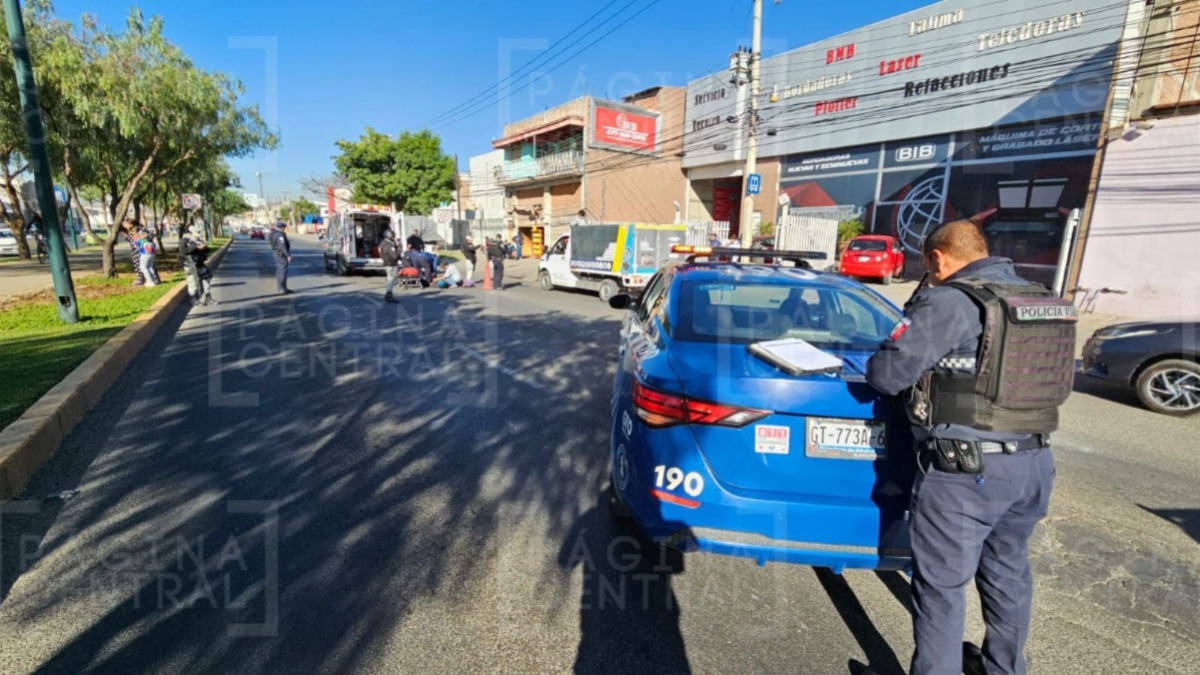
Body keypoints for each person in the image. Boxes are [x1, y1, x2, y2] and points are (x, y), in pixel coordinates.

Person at [864, 220, 1076, 675]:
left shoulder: (952, 301)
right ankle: (1005, 668)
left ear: (938, 258)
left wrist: (915, 312)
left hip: (967, 473)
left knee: (941, 586)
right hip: (1035, 462)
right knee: (1007, 574)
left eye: (928, 267)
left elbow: (886, 375)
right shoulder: (1040, 299)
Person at [181, 224, 215, 306]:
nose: (197, 234)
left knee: (206, 279)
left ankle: (208, 298)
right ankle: (193, 299)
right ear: (190, 232)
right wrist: (195, 246)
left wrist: (204, 247)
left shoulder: (199, 240)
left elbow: (207, 251)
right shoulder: (184, 241)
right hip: (190, 264)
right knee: (192, 282)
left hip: (200, 263)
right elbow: (184, 251)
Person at [269, 220, 293, 294]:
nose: (284, 229)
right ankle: (282, 288)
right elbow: (282, 246)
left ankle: (281, 287)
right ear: (282, 227)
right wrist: (287, 255)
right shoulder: (279, 234)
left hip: (276, 253)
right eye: (284, 227)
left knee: (279, 270)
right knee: (282, 271)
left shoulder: (272, 233)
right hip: (280, 254)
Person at [122, 219, 145, 286]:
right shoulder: (132, 230)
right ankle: (141, 279)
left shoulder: (137, 229)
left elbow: (135, 239)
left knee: (141, 265)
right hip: (136, 250)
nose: (124, 225)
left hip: (140, 250)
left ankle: (142, 279)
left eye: (125, 224)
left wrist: (128, 237)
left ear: (131, 224)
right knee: (138, 265)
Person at [380, 229, 401, 303]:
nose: (393, 238)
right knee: (391, 280)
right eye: (392, 236)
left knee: (390, 279)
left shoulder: (383, 243)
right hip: (391, 264)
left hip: (387, 263)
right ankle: (389, 295)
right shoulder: (388, 245)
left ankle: (388, 294)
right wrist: (399, 249)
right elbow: (395, 256)